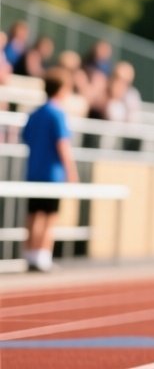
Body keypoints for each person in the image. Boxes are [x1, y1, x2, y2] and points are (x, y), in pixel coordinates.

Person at [21, 69, 77, 273]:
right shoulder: (57, 114)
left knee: (33, 214)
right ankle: (42, 255)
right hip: (51, 174)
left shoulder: (34, 114)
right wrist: (71, 172)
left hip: (33, 170)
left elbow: (26, 137)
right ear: (62, 90)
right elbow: (63, 144)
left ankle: (30, 254)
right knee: (49, 216)